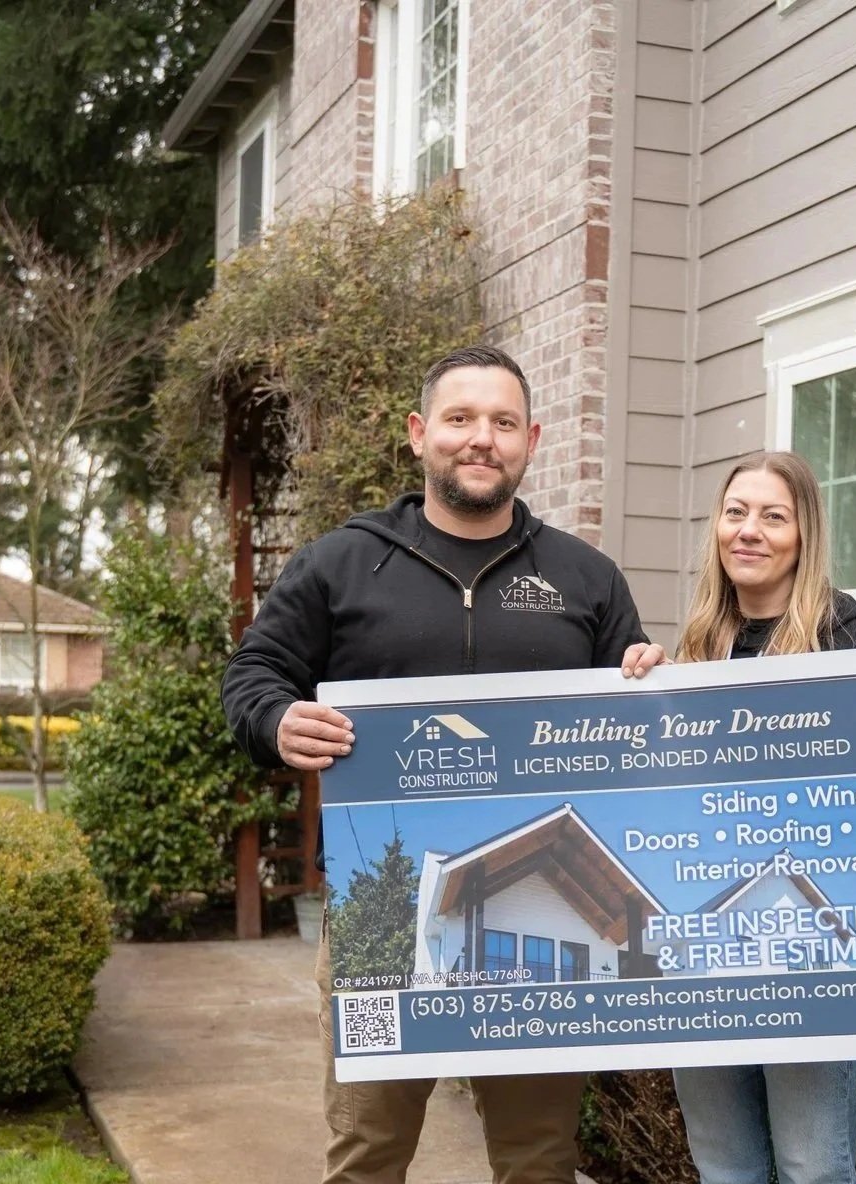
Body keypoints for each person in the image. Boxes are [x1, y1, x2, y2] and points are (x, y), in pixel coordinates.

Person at [222, 343, 667, 1184]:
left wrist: (646, 685)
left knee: (538, 1160)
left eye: (502, 423)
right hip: (381, 907)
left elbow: (631, 734)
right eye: (461, 419)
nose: (481, 439)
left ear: (532, 439)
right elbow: (253, 674)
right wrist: (276, 722)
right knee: (368, 1153)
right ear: (419, 433)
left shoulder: (585, 577)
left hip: (542, 913)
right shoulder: (340, 564)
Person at [625, 449, 856, 1184]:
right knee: (723, 1164)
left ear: (803, 535)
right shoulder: (697, 647)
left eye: (773, 517)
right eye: (736, 512)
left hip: (811, 954)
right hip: (704, 949)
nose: (750, 531)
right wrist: (638, 695)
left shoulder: (850, 642)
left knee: (812, 1166)